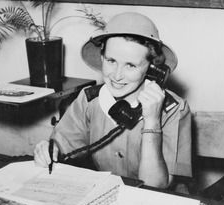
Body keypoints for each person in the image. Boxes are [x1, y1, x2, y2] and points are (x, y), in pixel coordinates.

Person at [34, 12, 192, 188]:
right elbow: (62, 144)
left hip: (160, 203)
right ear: (101, 58)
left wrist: (152, 121)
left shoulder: (174, 109)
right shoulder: (89, 99)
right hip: (108, 195)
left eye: (131, 65)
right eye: (111, 61)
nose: (116, 75)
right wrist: (49, 151)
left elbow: (155, 186)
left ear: (153, 68)